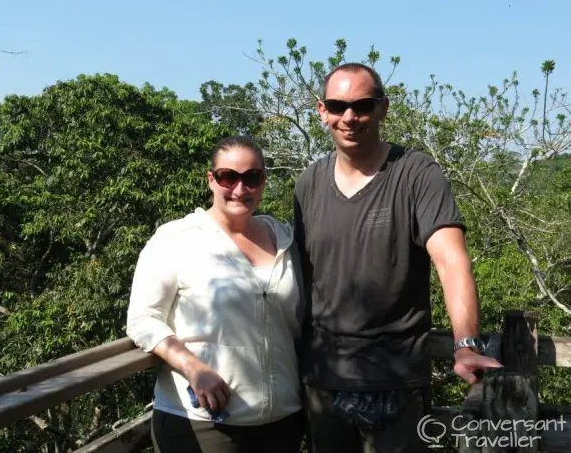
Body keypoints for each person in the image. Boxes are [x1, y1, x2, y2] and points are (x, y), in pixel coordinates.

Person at [293, 63, 502, 453]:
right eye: (337, 106)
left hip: (396, 379)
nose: (349, 117)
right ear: (322, 111)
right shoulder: (310, 183)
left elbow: (451, 260)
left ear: (383, 108)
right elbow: (304, 278)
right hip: (323, 379)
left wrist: (466, 343)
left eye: (362, 105)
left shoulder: (417, 175)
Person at [126, 135, 306, 453]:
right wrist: (194, 368)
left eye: (252, 177)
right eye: (228, 177)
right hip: (204, 422)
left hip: (282, 420)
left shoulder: (284, 239)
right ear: (211, 180)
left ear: (263, 181)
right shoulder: (176, 238)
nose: (240, 188)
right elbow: (143, 319)